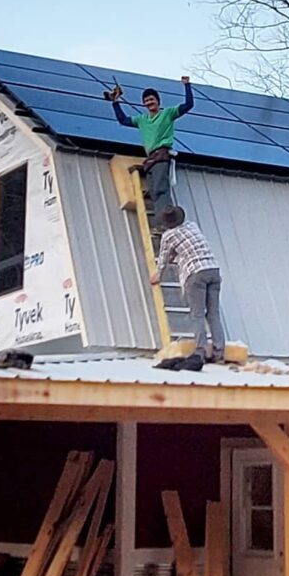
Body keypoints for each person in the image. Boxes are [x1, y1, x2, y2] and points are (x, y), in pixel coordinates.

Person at [151, 205, 224, 370]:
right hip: (213, 269)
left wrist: (158, 276)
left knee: (197, 315)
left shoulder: (169, 236)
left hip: (195, 274)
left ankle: (201, 352)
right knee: (213, 314)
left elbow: (163, 260)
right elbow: (190, 247)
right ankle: (219, 352)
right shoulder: (192, 225)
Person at [110, 77, 193, 219]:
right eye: (146, 101)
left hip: (162, 155)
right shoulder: (142, 120)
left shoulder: (167, 113)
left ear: (158, 101)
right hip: (150, 159)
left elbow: (188, 105)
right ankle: (161, 218)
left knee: (161, 189)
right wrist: (115, 102)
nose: (149, 103)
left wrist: (187, 85)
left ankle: (168, 218)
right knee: (154, 193)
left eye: (151, 100)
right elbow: (123, 120)